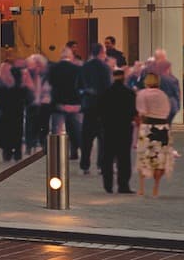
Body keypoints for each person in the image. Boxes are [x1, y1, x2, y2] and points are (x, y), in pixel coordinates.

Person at [91, 65, 137, 194]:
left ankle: (108, 185)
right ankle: (123, 185)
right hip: (124, 128)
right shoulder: (129, 93)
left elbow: (98, 110)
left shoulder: (105, 93)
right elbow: (133, 111)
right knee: (124, 157)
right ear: (124, 78)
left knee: (107, 157)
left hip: (108, 128)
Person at [134, 71, 177, 196]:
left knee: (144, 156)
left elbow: (141, 111)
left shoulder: (142, 94)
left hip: (148, 127)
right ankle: (156, 188)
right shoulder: (163, 95)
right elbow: (167, 111)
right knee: (161, 158)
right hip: (163, 128)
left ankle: (141, 188)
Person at [77, 44, 111, 173]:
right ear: (101, 52)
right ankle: (101, 165)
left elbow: (78, 86)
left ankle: (85, 165)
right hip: (102, 108)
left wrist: (84, 95)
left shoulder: (84, 67)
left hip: (88, 106)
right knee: (103, 138)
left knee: (87, 138)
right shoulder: (105, 68)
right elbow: (107, 88)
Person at [45, 47, 83, 159]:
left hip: (58, 103)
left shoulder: (53, 68)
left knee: (56, 129)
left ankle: (56, 154)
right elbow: (80, 85)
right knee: (75, 129)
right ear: (71, 56)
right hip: (74, 104)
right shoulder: (77, 69)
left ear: (61, 56)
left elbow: (50, 84)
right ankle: (76, 151)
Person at [0, 58, 29, 162]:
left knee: (6, 132)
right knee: (17, 131)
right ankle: (17, 152)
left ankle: (7, 152)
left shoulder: (1, 81)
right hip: (17, 109)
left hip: (5, 110)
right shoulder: (18, 77)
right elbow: (23, 92)